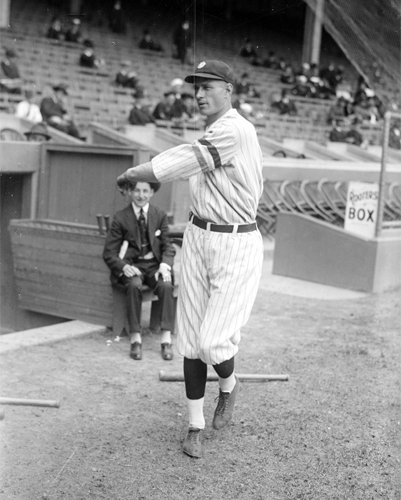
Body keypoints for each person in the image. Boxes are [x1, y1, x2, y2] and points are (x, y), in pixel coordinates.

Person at [115, 60, 264, 458]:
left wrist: (137, 172)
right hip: (199, 238)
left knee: (214, 342)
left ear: (228, 89)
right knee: (190, 342)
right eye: (195, 87)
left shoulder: (236, 128)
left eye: (208, 86)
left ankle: (230, 387)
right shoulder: (212, 130)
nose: (198, 94)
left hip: (236, 243)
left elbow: (186, 160)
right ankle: (194, 425)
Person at [103, 180, 176, 361]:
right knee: (134, 285)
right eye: (136, 190)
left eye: (145, 191)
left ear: (152, 193)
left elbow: (168, 246)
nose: (141, 195)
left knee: (166, 285)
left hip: (154, 266)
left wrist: (164, 265)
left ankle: (166, 339)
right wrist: (124, 267)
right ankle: (136, 338)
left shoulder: (159, 215)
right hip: (132, 266)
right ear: (130, 192)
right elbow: (109, 253)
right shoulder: (121, 217)